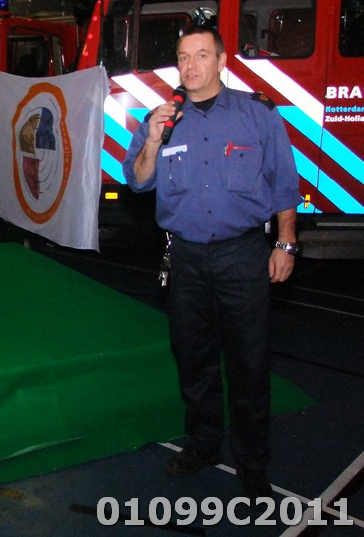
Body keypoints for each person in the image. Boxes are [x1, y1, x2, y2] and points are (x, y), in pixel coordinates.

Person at [122, 26, 302, 499]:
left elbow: (284, 181)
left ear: (222, 62)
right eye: (183, 57)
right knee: (193, 358)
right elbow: (137, 181)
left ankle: (252, 462)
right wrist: (153, 141)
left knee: (248, 363)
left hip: (242, 256)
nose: (191, 65)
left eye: (202, 55)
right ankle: (203, 443)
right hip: (185, 258)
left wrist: (285, 243)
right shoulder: (161, 119)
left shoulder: (257, 115)